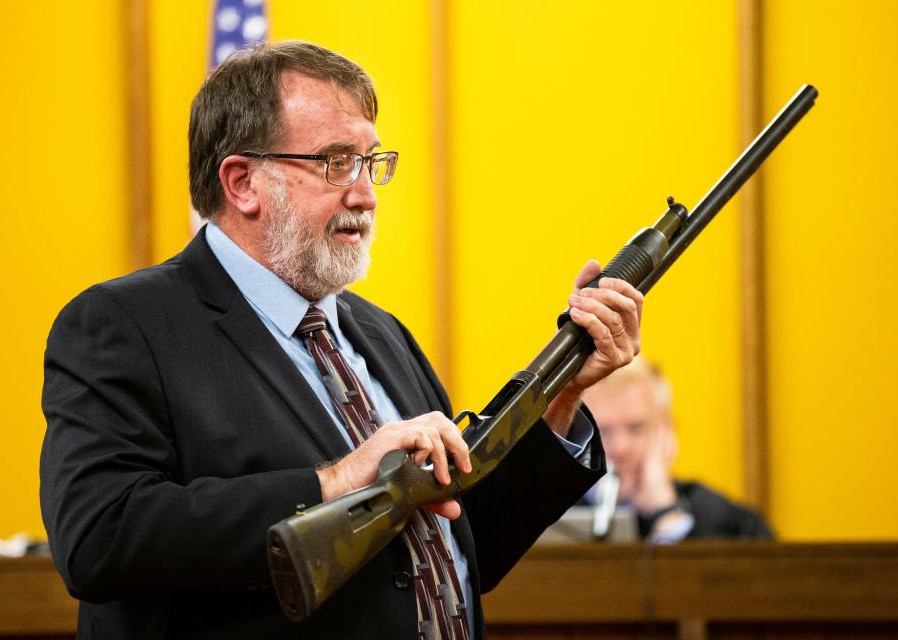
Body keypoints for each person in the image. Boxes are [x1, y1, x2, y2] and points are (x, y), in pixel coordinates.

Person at [39, 41, 644, 639]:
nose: (366, 194)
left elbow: (465, 534)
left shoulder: (379, 332)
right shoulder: (124, 325)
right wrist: (333, 483)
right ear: (242, 182)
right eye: (335, 162)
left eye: (371, 162)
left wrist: (562, 397)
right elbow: (99, 536)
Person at [580, 355, 773, 542]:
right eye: (602, 430)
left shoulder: (733, 526)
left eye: (636, 428)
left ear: (667, 433)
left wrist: (667, 514)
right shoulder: (552, 514)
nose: (620, 448)